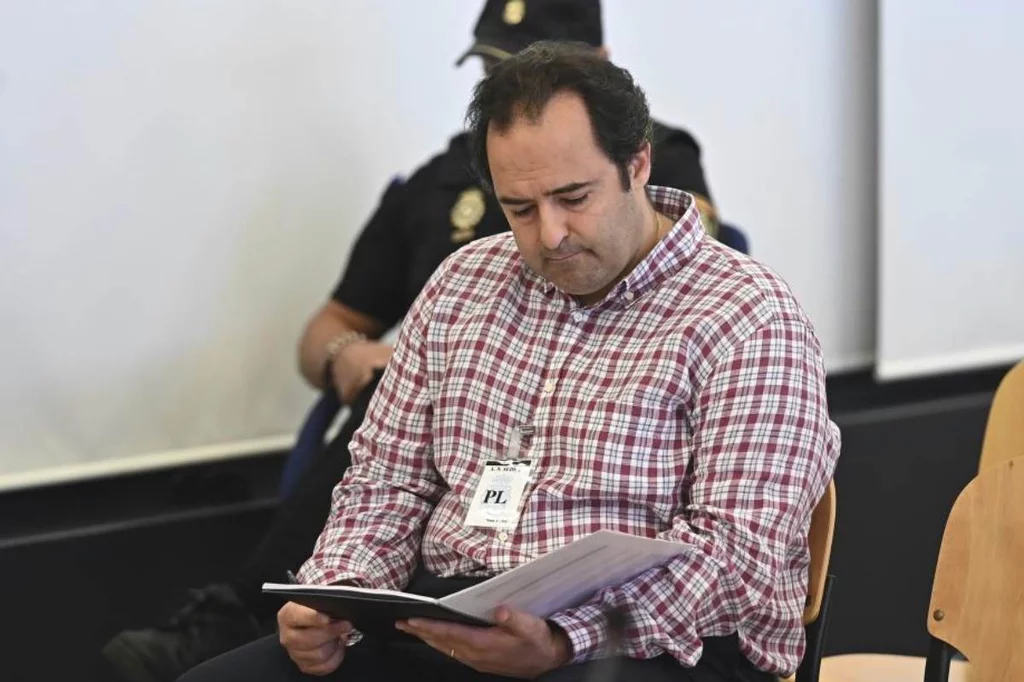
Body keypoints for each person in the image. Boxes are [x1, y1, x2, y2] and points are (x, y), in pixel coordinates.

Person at [178, 41, 840, 682]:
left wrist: (561, 640)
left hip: (651, 647)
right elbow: (386, 483)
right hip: (454, 618)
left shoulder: (750, 317)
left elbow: (738, 562)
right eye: (519, 208)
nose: (548, 235)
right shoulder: (465, 282)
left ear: (637, 165)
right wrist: (340, 596)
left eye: (574, 198)